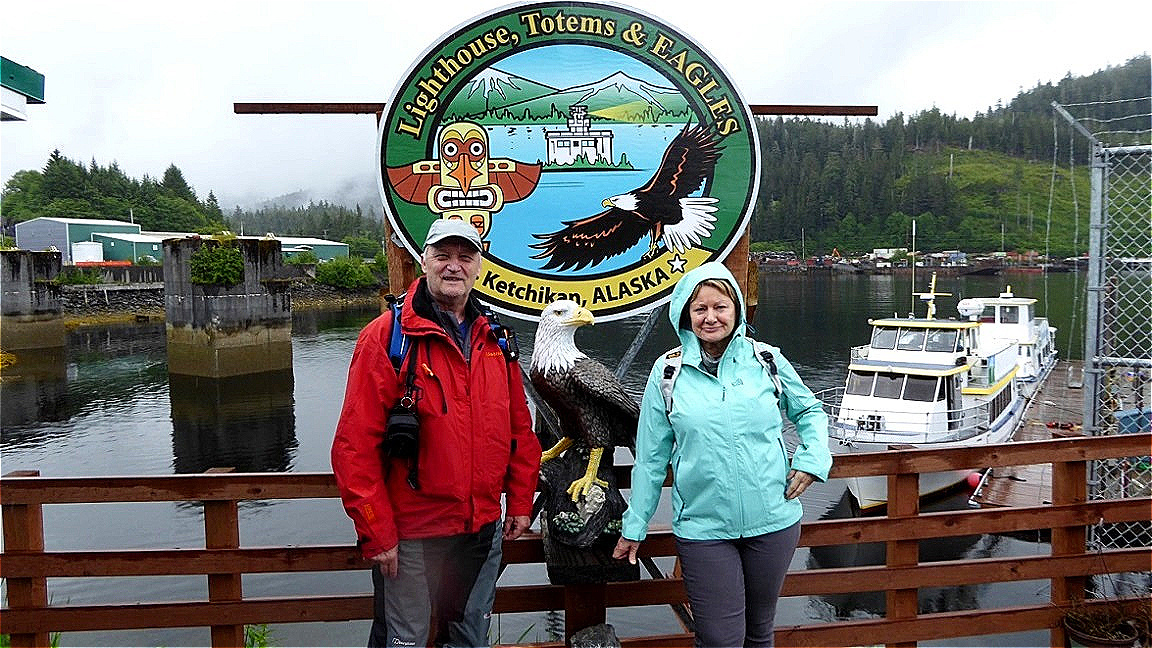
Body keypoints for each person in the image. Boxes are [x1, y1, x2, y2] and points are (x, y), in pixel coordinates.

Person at [331, 219, 541, 648]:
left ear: (479, 266)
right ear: (423, 261)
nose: (453, 266)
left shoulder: (497, 339)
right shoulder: (386, 338)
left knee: (470, 637)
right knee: (405, 639)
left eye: (465, 257)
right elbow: (354, 446)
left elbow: (520, 429)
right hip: (411, 534)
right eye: (442, 256)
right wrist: (377, 531)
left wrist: (520, 501)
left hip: (481, 529)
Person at [613, 261, 831, 648]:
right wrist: (636, 524)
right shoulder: (667, 373)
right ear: (685, 314)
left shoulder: (766, 360)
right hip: (704, 529)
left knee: (759, 632)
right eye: (700, 308)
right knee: (719, 639)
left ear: (736, 310)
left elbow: (810, 411)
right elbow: (650, 458)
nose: (710, 317)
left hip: (774, 521)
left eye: (720, 307)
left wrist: (812, 461)